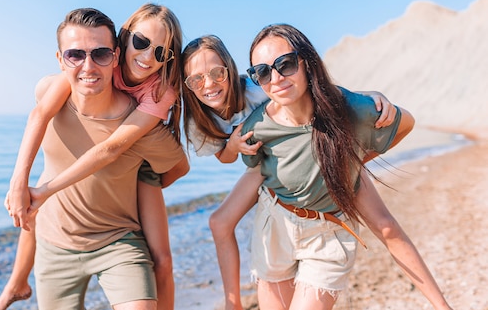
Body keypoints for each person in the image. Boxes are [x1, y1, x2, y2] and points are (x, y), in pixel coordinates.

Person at [239, 23, 452, 309]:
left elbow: (407, 123)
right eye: (262, 72)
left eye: (285, 64)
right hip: (275, 228)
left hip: (328, 233)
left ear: (307, 62)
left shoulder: (353, 108)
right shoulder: (257, 128)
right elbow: (252, 166)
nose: (275, 78)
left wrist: (351, 161)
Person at [180, 35, 395, 310]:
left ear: (230, 69)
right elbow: (223, 156)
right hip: (260, 163)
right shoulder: (197, 122)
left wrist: (371, 97)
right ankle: (232, 303)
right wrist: (233, 145)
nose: (208, 84)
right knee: (219, 222)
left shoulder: (256, 91)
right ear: (188, 86)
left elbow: (315, 95)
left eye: (216, 73)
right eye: (196, 80)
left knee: (384, 223)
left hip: (288, 152)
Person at [0, 3, 185, 310]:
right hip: (57, 244)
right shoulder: (56, 91)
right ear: (61, 59)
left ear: (114, 55)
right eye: (75, 55)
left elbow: (129, 153)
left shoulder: (153, 105)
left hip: (117, 238)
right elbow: (39, 115)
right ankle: (15, 283)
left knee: (162, 262)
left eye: (100, 54)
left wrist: (137, 182)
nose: (88, 65)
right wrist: (19, 182)